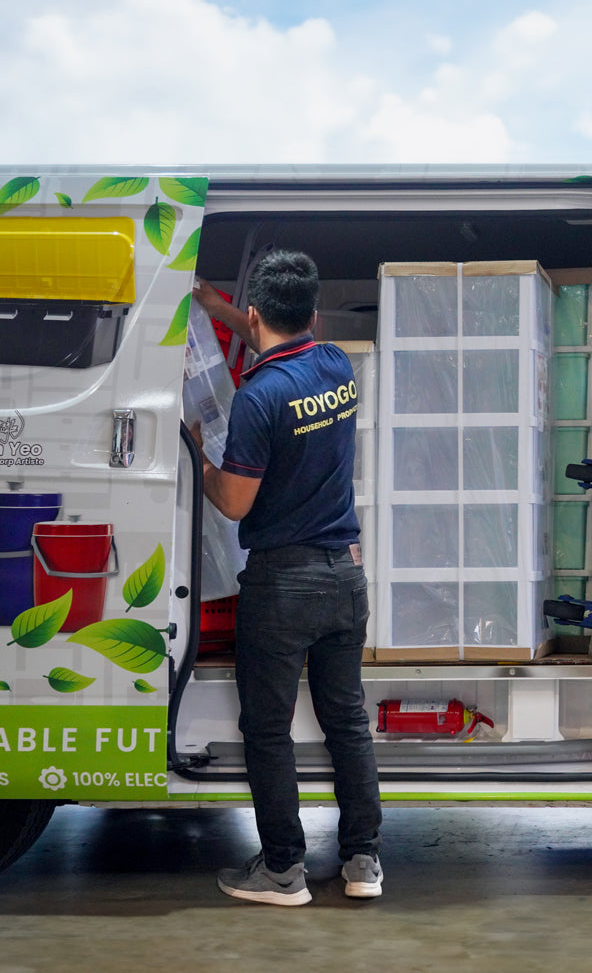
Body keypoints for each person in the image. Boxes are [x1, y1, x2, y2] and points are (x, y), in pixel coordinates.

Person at [191, 250, 383, 906]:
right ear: (314, 314)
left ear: (255, 314)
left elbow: (233, 502)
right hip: (345, 577)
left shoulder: (257, 399)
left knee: (269, 731)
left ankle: (282, 871)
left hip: (282, 586)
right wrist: (217, 309)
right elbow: (275, 342)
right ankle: (363, 862)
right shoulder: (335, 367)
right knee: (347, 723)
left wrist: (198, 454)